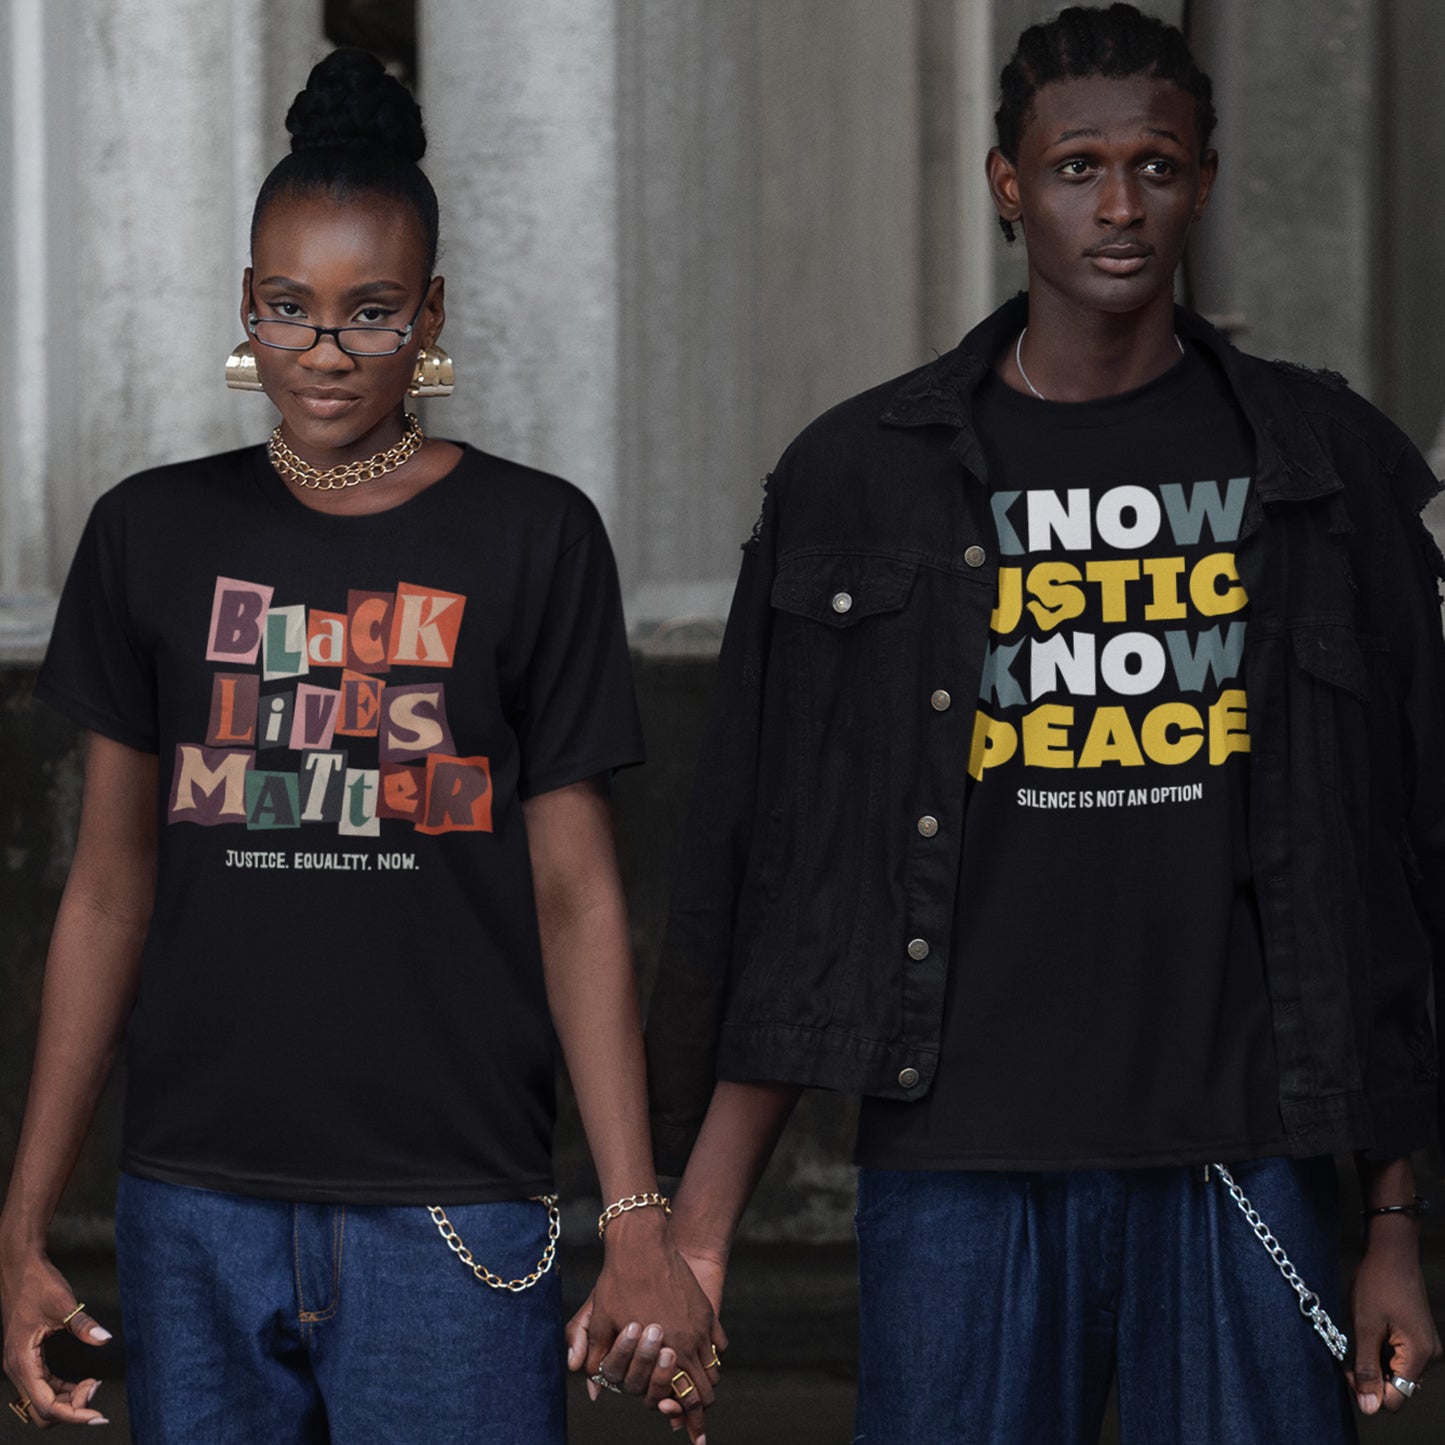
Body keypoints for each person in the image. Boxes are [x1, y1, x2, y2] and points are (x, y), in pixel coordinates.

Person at [583, 5, 1445, 1441]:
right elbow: (783, 874)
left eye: (1155, 168)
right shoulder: (860, 477)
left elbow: (1400, 870)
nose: (1117, 206)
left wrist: (1394, 1220)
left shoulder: (1323, 471)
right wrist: (698, 1228)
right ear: (1005, 184)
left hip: (1241, 1158)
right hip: (959, 1165)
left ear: (1204, 182)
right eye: (1075, 168)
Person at [0, 49, 721, 1443]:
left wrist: (638, 1212)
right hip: (194, 1207)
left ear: (431, 315)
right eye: (289, 309)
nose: (323, 352)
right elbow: (105, 890)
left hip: (450, 1208)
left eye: (368, 313)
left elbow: (575, 895)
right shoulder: (153, 534)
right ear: (248, 307)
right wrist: (20, 1222)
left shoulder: (534, 536)